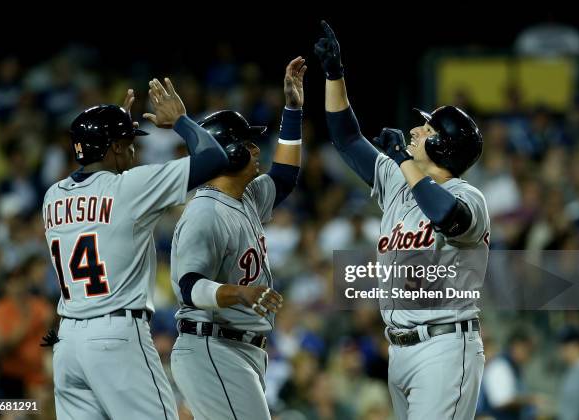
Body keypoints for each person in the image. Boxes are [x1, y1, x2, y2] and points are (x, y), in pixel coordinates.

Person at [314, 21, 490, 419]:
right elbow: (346, 138)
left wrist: (404, 162)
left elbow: (447, 216)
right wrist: (334, 74)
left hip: (445, 346)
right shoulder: (399, 179)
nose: (414, 129)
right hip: (400, 349)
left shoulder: (469, 196)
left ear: (442, 146)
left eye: (425, 128)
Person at [42, 79, 229, 420]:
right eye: (129, 143)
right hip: (116, 338)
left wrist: (115, 132)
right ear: (113, 148)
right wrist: (182, 122)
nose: (134, 151)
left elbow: (98, 194)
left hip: (68, 343)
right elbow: (215, 157)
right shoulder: (131, 186)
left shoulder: (53, 195)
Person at [170, 57, 306, 420]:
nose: (256, 149)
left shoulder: (245, 197)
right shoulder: (204, 213)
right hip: (212, 345)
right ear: (228, 152)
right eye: (248, 143)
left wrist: (293, 110)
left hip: (238, 350)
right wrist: (240, 293)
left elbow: (286, 176)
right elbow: (189, 287)